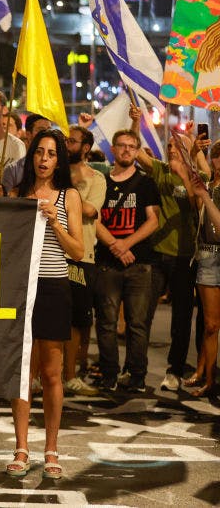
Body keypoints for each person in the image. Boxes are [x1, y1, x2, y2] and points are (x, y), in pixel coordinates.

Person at [6, 129, 84, 480]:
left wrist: (54, 222)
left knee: (52, 373)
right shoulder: (17, 194)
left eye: (51, 154)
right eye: (39, 152)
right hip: (21, 289)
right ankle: (21, 447)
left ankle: (51, 448)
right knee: (23, 374)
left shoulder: (69, 196)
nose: (44, 159)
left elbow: (78, 251)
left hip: (54, 287)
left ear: (59, 160)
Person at [127, 106, 200, 393]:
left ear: (186, 150)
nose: (170, 149)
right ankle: (135, 369)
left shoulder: (195, 178)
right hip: (157, 255)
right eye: (168, 145)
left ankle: (174, 370)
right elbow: (136, 153)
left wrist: (184, 175)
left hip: (184, 257)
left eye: (175, 146)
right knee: (142, 314)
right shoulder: (159, 171)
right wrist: (135, 123)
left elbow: (197, 205)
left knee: (181, 318)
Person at [93, 129, 161, 393]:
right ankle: (109, 374)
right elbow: (95, 219)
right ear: (113, 148)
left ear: (137, 151)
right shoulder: (101, 182)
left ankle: (136, 375)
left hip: (139, 262)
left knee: (137, 323)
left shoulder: (146, 183)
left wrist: (125, 245)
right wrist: (114, 245)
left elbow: (153, 220)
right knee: (106, 322)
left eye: (132, 147)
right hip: (107, 262)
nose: (126, 151)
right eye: (121, 145)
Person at [62, 124, 106, 396]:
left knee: (77, 319)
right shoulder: (56, 173)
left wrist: (65, 193)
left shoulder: (96, 179)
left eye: (73, 141)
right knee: (51, 317)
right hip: (54, 253)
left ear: (85, 148)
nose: (67, 145)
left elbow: (90, 210)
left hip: (81, 255)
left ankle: (71, 375)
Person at [184, 147, 220, 397]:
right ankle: (209, 379)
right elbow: (195, 206)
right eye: (216, 155)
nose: (218, 160)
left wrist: (204, 197)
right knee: (210, 325)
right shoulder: (210, 183)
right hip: (207, 254)